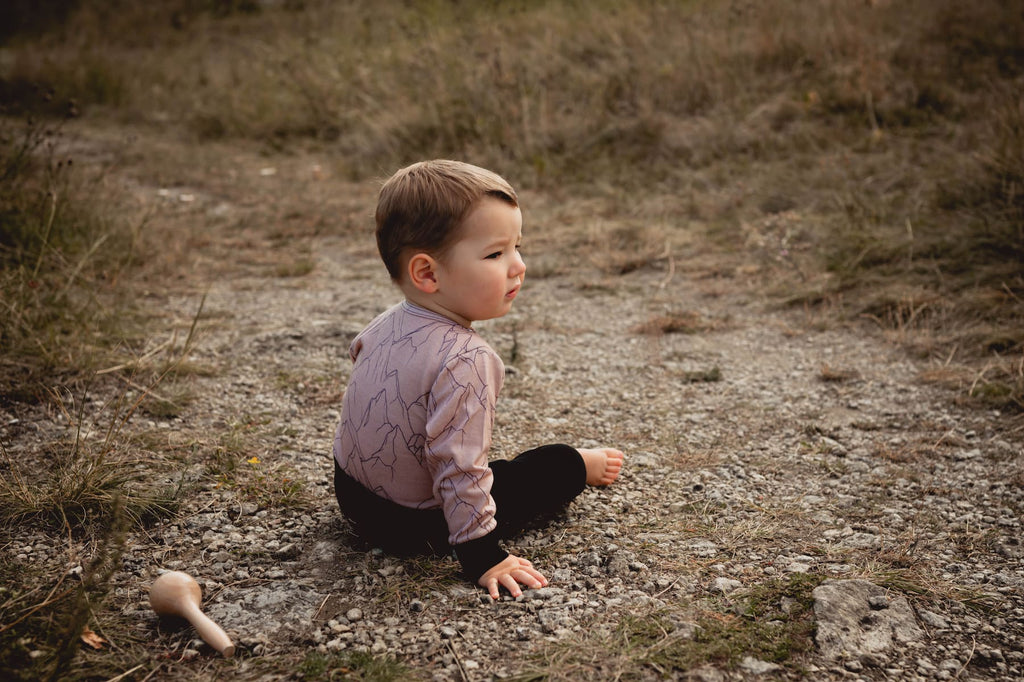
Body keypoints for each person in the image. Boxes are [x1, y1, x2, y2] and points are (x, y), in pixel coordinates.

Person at [332, 159, 624, 599]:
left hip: (354, 498)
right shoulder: (467, 358)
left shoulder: (383, 323)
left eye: (516, 248)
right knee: (537, 470)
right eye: (495, 254)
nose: (518, 266)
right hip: (413, 523)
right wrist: (482, 553)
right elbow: (459, 465)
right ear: (427, 273)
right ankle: (579, 464)